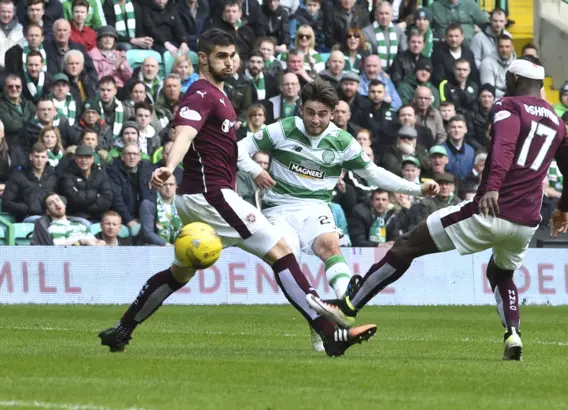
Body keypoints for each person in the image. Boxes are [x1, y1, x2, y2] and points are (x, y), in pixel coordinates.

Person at [98, 28, 377, 357]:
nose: (230, 62)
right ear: (203, 59)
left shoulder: (219, 94)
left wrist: (253, 170)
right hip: (211, 196)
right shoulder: (201, 93)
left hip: (200, 197)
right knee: (281, 250)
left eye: (233, 56)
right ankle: (329, 333)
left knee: (179, 272)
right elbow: (184, 134)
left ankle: (123, 329)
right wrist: (170, 165)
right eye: (221, 56)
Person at [306, 56, 568, 362]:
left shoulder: (509, 106)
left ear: (515, 80)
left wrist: (492, 186)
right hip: (527, 221)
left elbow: (503, 148)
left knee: (407, 245)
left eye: (508, 79)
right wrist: (563, 209)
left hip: (490, 210)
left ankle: (347, 308)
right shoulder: (557, 120)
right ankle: (513, 334)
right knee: (501, 273)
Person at [237, 79, 437, 350]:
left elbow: (374, 173)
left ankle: (343, 306)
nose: (315, 120)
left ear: (332, 114)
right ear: (301, 109)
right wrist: (256, 171)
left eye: (322, 114)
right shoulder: (283, 129)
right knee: (287, 262)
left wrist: (416, 189)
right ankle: (317, 321)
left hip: (316, 208)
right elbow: (239, 148)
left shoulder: (342, 142)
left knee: (330, 246)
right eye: (310, 112)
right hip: (279, 208)